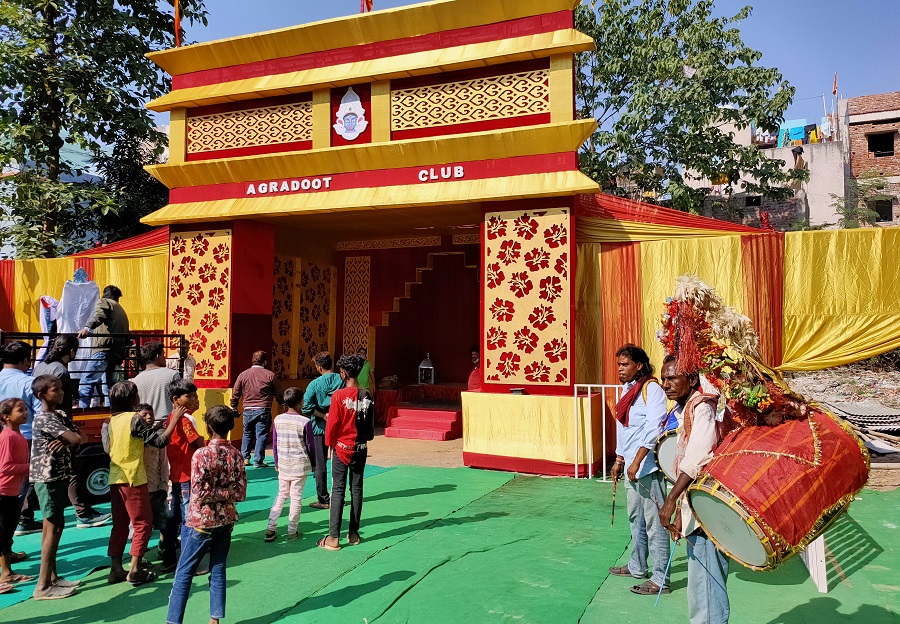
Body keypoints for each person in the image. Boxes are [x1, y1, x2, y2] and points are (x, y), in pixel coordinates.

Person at [658, 355, 730, 624]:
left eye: (672, 378)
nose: (666, 384)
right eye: (664, 378)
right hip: (696, 507)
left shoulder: (702, 409)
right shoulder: (685, 409)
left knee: (708, 589)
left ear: (691, 380)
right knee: (700, 589)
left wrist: (671, 501)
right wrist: (680, 513)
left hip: (709, 508)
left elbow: (696, 459)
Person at [166, 405, 246, 624]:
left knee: (183, 574)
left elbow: (200, 493)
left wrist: (219, 492)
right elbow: (240, 493)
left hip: (201, 522)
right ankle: (215, 619)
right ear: (231, 427)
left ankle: (173, 621)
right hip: (226, 520)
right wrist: (226, 492)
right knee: (218, 569)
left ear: (208, 427)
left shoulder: (201, 454)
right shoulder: (237, 455)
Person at [608, 344, 670, 596]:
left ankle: (660, 579)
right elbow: (625, 430)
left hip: (647, 469)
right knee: (636, 519)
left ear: (639, 366)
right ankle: (637, 566)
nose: (620, 370)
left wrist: (637, 461)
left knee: (655, 524)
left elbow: (654, 428)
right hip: (632, 467)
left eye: (625, 365)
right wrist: (620, 460)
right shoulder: (627, 390)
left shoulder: (651, 389)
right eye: (619, 365)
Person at [105, 380, 179, 585]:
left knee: (119, 524)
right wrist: (174, 420)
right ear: (132, 399)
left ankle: (116, 568)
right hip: (134, 477)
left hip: (115, 477)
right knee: (142, 523)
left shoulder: (112, 420)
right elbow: (159, 441)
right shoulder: (134, 419)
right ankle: (135, 568)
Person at [33, 334, 110, 529]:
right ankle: (82, 512)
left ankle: (26, 517)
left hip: (39, 425)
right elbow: (65, 406)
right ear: (72, 351)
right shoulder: (61, 372)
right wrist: (68, 430)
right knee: (72, 470)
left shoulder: (41, 365)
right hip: (58, 424)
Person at [29, 375, 86, 599]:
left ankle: (53, 577)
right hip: (48, 477)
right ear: (42, 395)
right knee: (53, 527)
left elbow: (79, 437)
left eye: (61, 388)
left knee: (54, 526)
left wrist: (66, 440)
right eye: (56, 390)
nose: (62, 392)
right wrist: (68, 438)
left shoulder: (60, 415)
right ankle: (42, 585)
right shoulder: (44, 419)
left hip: (59, 476)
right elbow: (73, 437)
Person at [318, 355, 374, 551]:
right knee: (357, 489)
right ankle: (353, 533)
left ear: (343, 373)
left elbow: (332, 425)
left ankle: (333, 537)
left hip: (341, 448)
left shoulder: (339, 396)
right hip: (360, 448)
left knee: (338, 490)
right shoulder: (367, 394)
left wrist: (329, 445)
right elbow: (369, 429)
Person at [133, 341, 180, 536]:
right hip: (167, 430)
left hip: (143, 436)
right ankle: (166, 534)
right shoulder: (171, 375)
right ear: (159, 355)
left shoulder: (135, 380)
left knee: (150, 483)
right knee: (167, 482)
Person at [0, 341, 43, 536]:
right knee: (19, 488)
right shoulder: (28, 382)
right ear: (26, 360)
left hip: (3, 436)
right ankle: (20, 523)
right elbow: (41, 414)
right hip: (24, 438)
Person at [160, 380, 204, 572]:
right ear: (175, 400)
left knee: (174, 517)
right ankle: (189, 562)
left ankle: (169, 557)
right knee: (189, 519)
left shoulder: (171, 418)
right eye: (189, 396)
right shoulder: (185, 420)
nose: (194, 399)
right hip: (187, 475)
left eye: (195, 396)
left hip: (177, 475)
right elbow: (197, 444)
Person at [265, 387, 311, 542]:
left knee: (281, 494)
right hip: (299, 465)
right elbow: (310, 446)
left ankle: (271, 527)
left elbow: (275, 444)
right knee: (296, 497)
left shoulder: (278, 419)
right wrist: (315, 463)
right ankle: (292, 530)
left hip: (284, 464)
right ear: (300, 402)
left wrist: (277, 462)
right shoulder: (305, 422)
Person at [301, 352, 344, 510]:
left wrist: (322, 415)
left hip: (319, 427)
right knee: (339, 462)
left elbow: (306, 407)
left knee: (320, 464)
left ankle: (323, 498)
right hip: (340, 427)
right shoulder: (342, 380)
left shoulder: (314, 384)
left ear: (319, 367)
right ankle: (338, 496)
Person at [0, 398, 35, 592]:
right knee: (3, 532)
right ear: (6, 417)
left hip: (11, 491)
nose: (25, 412)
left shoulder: (16, 435)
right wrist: (32, 467)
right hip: (3, 491)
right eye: (19, 410)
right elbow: (5, 467)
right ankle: (5, 573)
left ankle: (7, 567)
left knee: (7, 530)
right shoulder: (7, 437)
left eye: (25, 409)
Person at [77, 284, 130, 407]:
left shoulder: (104, 302)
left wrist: (87, 328)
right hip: (117, 352)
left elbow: (99, 315)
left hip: (104, 349)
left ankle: (81, 411)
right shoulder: (120, 309)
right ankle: (110, 410)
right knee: (109, 386)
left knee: (87, 382)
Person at [230, 350, 281, 468]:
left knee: (247, 433)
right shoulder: (270, 375)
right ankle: (258, 460)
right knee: (261, 435)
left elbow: (236, 392)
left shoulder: (243, 375)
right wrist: (281, 402)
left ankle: (245, 458)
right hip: (263, 409)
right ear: (265, 362)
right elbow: (278, 392)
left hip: (247, 408)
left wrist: (234, 406)